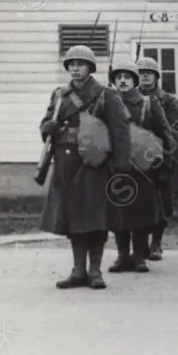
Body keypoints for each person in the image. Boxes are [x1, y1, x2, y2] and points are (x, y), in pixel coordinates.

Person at [38, 44, 130, 289]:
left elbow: (120, 131)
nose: (75, 68)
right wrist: (46, 127)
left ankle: (95, 271)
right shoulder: (59, 95)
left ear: (91, 67)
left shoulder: (105, 94)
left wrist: (121, 164)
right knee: (73, 219)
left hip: (94, 164)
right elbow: (48, 121)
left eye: (80, 64)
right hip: (66, 163)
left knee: (95, 219)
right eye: (71, 64)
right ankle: (78, 270)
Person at [106, 62, 174, 274]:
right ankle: (122, 256)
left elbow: (166, 136)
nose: (123, 81)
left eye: (127, 77)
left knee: (142, 214)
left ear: (135, 81)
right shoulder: (106, 103)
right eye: (119, 77)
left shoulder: (148, 103)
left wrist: (157, 161)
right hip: (115, 168)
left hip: (142, 170)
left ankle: (139, 257)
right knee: (118, 214)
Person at [135, 56, 178, 262]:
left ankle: (156, 243)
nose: (145, 76)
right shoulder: (129, 98)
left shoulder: (168, 101)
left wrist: (168, 159)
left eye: (149, 73)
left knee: (161, 204)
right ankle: (139, 245)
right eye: (141, 73)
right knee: (138, 203)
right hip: (136, 158)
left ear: (156, 77)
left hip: (161, 159)